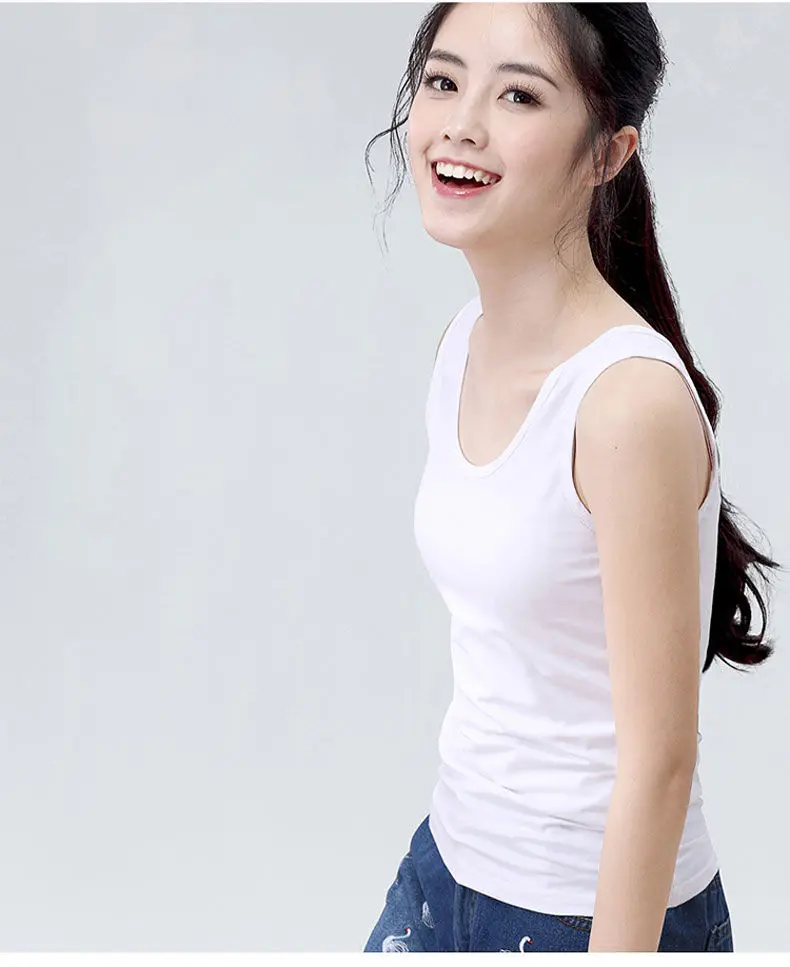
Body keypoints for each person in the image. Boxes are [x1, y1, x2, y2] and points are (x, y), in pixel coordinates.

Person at [361, 2, 781, 953]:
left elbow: (662, 764)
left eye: (519, 95)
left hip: (587, 909)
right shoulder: (462, 343)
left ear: (608, 154)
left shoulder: (627, 402)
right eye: (443, 80)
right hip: (445, 869)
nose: (462, 122)